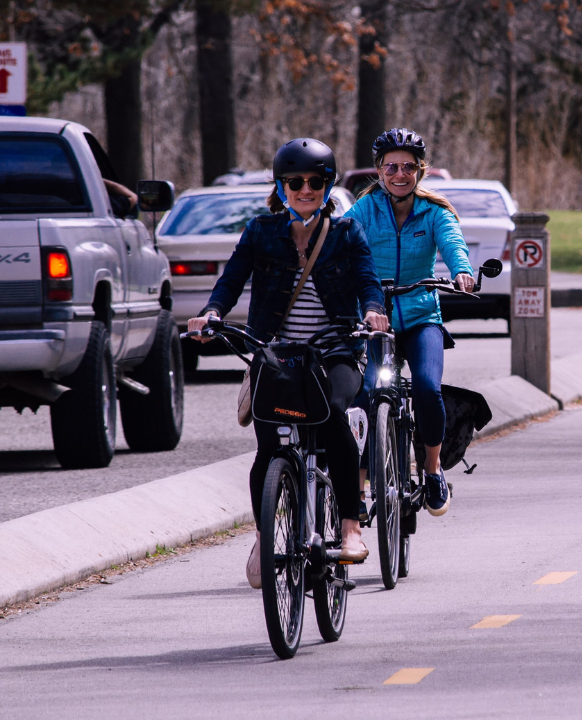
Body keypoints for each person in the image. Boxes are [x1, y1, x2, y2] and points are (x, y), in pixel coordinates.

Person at [187, 138, 389, 588]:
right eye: (294, 182)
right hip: (275, 353)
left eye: (315, 182)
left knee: (334, 414)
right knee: (270, 447)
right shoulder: (261, 231)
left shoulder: (345, 233)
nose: (305, 190)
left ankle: (351, 528)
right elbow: (231, 280)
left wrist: (373, 310)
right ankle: (265, 533)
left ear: (327, 185)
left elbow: (367, 280)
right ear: (280, 187)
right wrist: (213, 315)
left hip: (334, 349)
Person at [346, 128, 474, 517]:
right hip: (374, 320)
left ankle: (432, 470)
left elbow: (453, 244)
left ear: (421, 170)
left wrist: (462, 272)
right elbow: (341, 244)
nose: (399, 175)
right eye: (390, 167)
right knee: (366, 394)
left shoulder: (435, 212)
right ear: (379, 170)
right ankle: (361, 484)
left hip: (421, 318)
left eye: (407, 167)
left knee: (427, 389)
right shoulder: (364, 210)